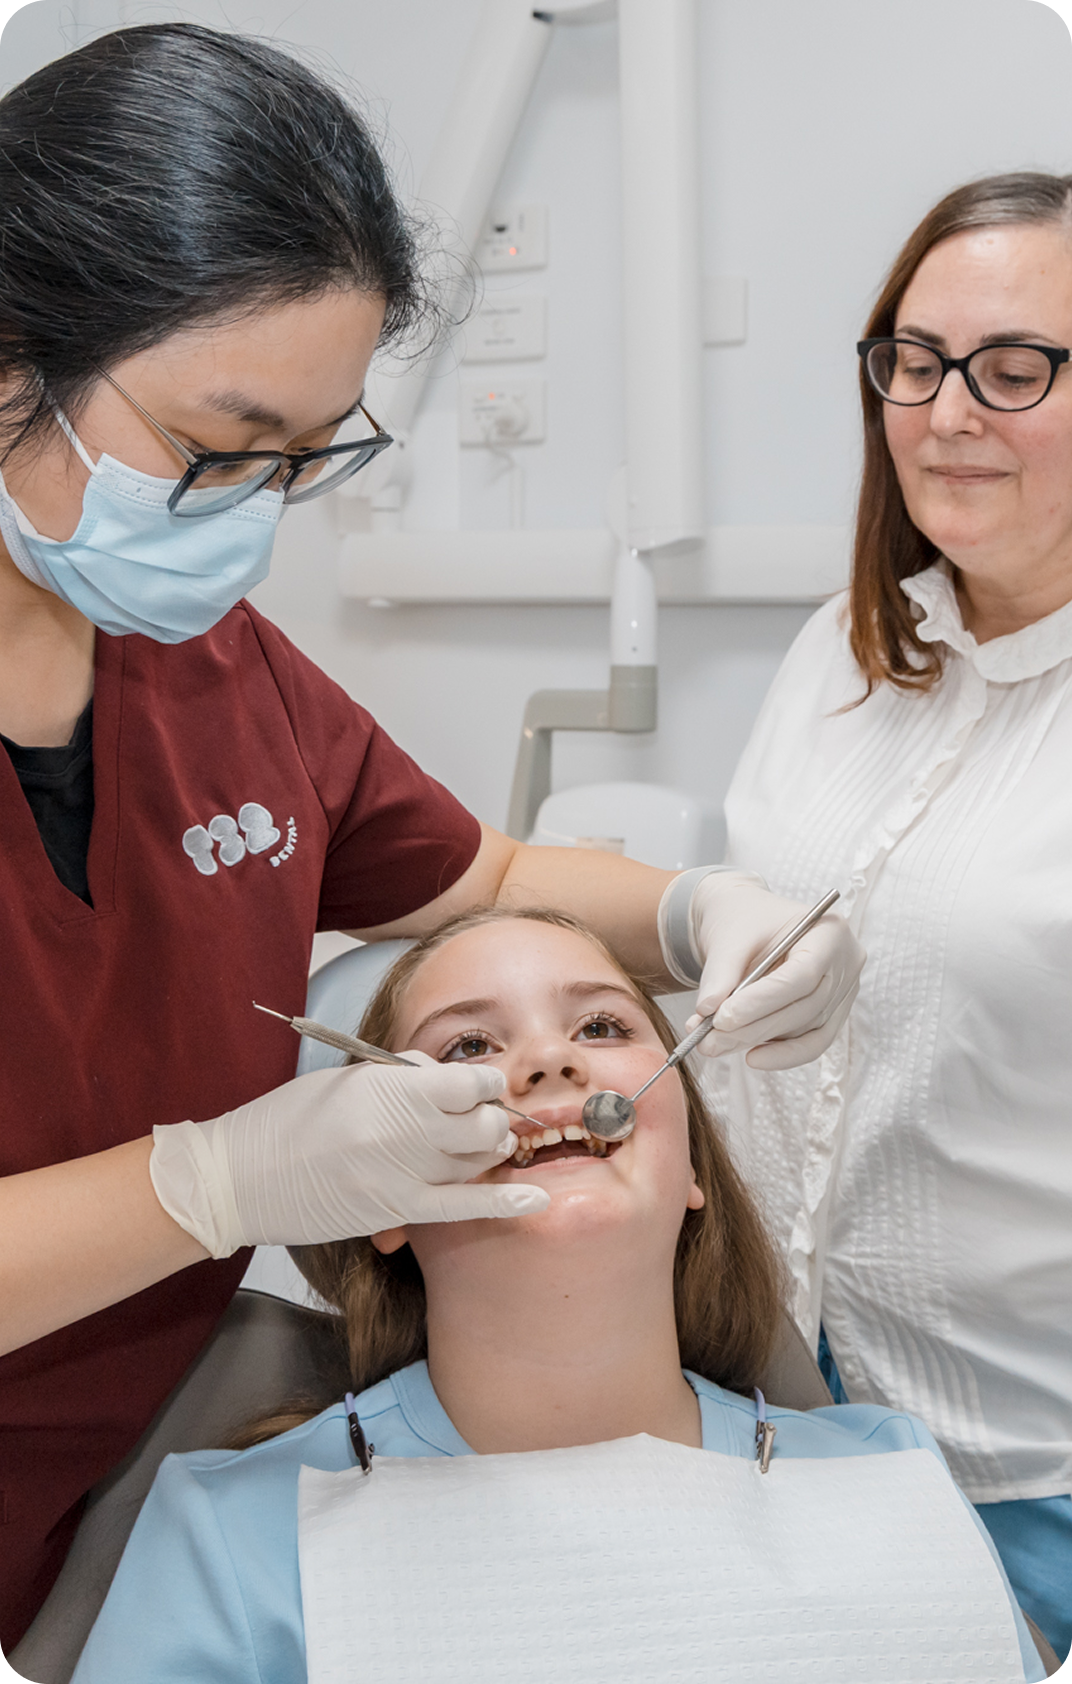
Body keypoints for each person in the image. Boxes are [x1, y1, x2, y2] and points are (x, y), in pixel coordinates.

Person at [0, 22, 864, 1653]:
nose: (251, 514)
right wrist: (222, 1175)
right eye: (217, 446)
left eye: (304, 459)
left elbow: (498, 878)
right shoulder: (251, 1554)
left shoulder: (212, 665)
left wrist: (698, 911)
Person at [67, 907, 1042, 1684]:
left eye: (602, 1025)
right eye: (466, 1048)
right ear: (378, 1200)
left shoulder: (893, 1476)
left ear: (692, 1161)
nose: (548, 1062)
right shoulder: (236, 1536)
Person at [708, 171, 1072, 1666]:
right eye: (912, 361)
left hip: (1030, 1453)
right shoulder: (841, 652)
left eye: (1017, 366)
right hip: (777, 1401)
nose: (944, 411)